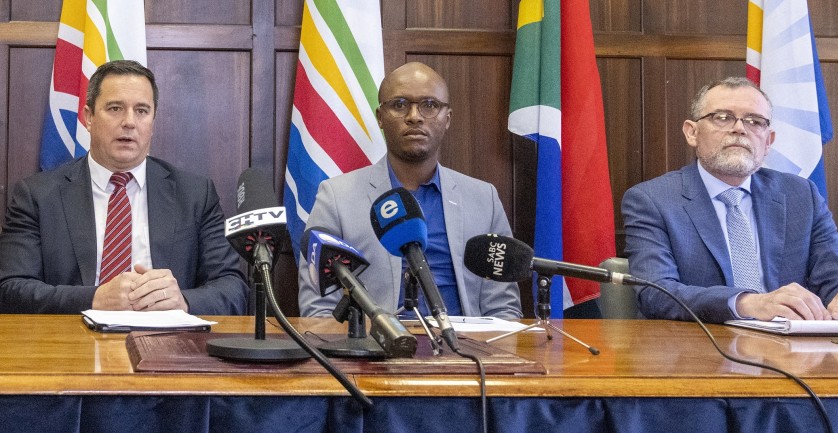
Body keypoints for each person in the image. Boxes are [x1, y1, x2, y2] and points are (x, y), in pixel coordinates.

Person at [622, 77, 838, 323]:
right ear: (692, 132)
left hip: (793, 351)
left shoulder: (801, 195)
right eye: (722, 117)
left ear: (768, 140)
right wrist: (748, 304)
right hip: (699, 351)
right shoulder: (652, 200)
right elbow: (655, 292)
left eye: (755, 121)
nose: (739, 129)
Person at [0, 60, 248, 315]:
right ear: (89, 117)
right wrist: (94, 298)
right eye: (115, 108)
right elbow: (10, 289)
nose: (129, 122)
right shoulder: (37, 196)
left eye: (141, 111)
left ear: (153, 121)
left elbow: (233, 289)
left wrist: (183, 301)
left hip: (168, 344)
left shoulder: (195, 194)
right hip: (71, 345)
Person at [298, 62, 522, 319]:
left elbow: (504, 309)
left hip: (466, 352)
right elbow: (318, 309)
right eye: (400, 104)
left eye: (429, 105)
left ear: (447, 119)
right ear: (380, 117)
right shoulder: (336, 198)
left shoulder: (484, 200)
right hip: (374, 352)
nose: (414, 116)